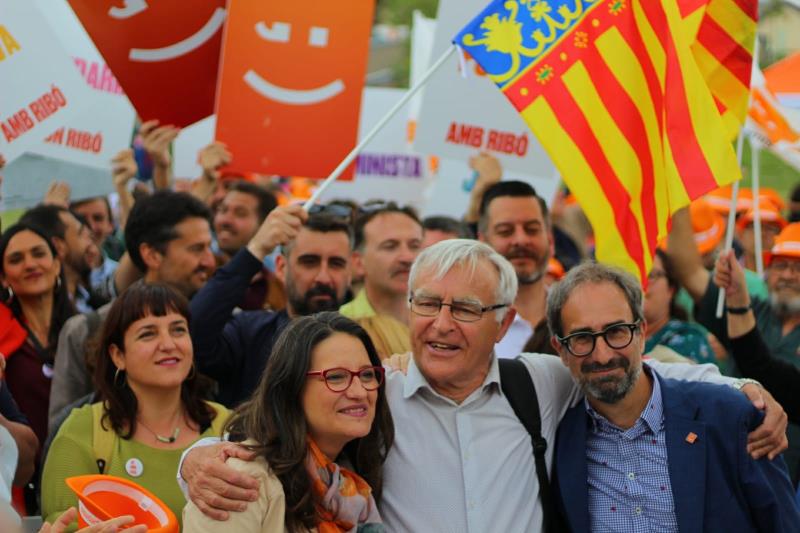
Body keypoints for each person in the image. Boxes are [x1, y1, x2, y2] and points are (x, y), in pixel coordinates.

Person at [180, 240, 788, 531]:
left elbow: (631, 372)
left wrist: (748, 390)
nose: (441, 325)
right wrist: (195, 460)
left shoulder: (542, 383)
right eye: (427, 305)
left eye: (466, 309)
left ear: (503, 323)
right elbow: (272, 435)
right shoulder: (372, 397)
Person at [549, 261, 800, 531]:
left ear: (642, 333)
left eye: (616, 332)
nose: (603, 355)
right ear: (560, 349)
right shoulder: (557, 439)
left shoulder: (728, 417)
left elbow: (782, 524)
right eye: (582, 338)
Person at [41, 282, 229, 529]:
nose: (168, 344)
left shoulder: (228, 426)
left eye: (178, 330)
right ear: (118, 355)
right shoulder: (83, 430)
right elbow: (62, 523)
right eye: (148, 334)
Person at [183, 312, 393, 532]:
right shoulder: (240, 481)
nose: (359, 391)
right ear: (292, 388)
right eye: (336, 377)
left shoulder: (349, 481)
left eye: (367, 375)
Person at [48, 191, 217, 433]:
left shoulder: (226, 323)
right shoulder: (87, 329)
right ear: (151, 254)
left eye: (178, 331)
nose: (209, 261)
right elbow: (60, 431)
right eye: (196, 249)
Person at [189, 206, 353, 406]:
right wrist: (255, 250)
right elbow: (193, 337)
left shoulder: (364, 342)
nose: (323, 277)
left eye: (336, 264)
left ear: (350, 272)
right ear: (281, 268)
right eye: (309, 262)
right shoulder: (249, 333)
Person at [0, 224, 76, 446]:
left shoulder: (87, 329)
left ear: (56, 264)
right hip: (24, 470)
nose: (30, 264)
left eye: (39, 253)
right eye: (16, 259)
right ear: (4, 278)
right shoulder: (3, 335)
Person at [716, 248, 800, 423]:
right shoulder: (757, 309)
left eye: (798, 268)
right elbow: (761, 368)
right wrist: (736, 298)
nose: (788, 275)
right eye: (780, 265)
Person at [477, 180, 553, 357]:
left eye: (531, 229)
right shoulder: (468, 326)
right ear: (482, 243)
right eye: (505, 231)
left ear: (550, 240)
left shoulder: (574, 317)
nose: (521, 240)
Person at [340, 202, 422, 329]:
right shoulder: (340, 326)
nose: (407, 257)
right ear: (358, 262)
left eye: (414, 246)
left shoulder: (436, 323)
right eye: (390, 246)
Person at [212, 181, 282, 311]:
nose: (226, 220)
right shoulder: (201, 273)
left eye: (240, 213)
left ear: (264, 225)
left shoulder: (280, 292)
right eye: (223, 210)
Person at [644, 248, 715, 364]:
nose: (642, 284)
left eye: (652, 275)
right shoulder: (613, 342)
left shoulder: (691, 340)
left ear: (671, 289)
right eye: (634, 275)